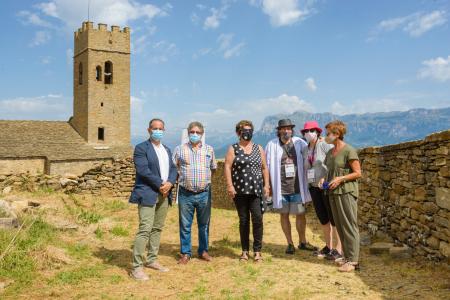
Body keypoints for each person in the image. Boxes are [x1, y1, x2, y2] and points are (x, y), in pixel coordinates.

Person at [129, 118, 178, 281]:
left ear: (164, 130)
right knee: (145, 229)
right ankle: (136, 267)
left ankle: (151, 260)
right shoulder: (141, 148)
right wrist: (161, 184)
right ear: (149, 130)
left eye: (161, 128)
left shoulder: (166, 149)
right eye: (155, 128)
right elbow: (143, 170)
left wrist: (170, 183)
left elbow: (173, 168)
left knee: (157, 228)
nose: (158, 131)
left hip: (164, 194)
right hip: (148, 193)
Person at [265, 119, 317, 255]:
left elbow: (311, 156)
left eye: (289, 128)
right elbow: (266, 166)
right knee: (284, 215)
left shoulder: (300, 143)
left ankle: (303, 241)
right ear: (279, 130)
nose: (286, 130)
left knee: (300, 214)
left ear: (291, 130)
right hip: (280, 188)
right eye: (283, 128)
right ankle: (289, 243)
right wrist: (268, 185)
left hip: (297, 186)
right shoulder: (271, 145)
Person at [224, 120, 270, 262]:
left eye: (250, 130)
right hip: (240, 190)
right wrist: (230, 186)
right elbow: (227, 167)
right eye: (245, 130)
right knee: (244, 220)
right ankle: (244, 251)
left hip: (256, 190)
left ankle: (257, 251)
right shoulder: (233, 148)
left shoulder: (258, 148)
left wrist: (267, 185)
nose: (247, 133)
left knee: (258, 219)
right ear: (239, 133)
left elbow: (264, 168)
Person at [319, 120, 362, 272]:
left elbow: (358, 173)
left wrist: (340, 179)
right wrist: (324, 179)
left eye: (328, 133)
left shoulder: (349, 150)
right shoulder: (330, 152)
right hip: (333, 193)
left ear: (337, 134)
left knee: (349, 226)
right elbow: (329, 171)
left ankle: (353, 261)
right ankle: (346, 256)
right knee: (340, 225)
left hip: (346, 193)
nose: (326, 136)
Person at [172, 121, 217, 265]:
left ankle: (203, 251)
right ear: (188, 133)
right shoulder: (179, 150)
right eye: (192, 132)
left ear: (202, 134)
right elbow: (174, 169)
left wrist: (205, 181)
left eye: (198, 132)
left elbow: (214, 168)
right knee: (185, 225)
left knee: (204, 224)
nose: (195, 135)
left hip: (204, 193)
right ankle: (185, 253)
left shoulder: (209, 150)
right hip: (185, 193)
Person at [301, 121, 342, 260]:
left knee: (333, 218)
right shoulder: (305, 150)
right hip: (313, 187)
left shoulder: (324, 144)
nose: (308, 133)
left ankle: (338, 249)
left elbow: (334, 162)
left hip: (326, 187)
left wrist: (326, 178)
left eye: (311, 130)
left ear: (317, 131)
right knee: (323, 219)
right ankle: (328, 247)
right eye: (306, 131)